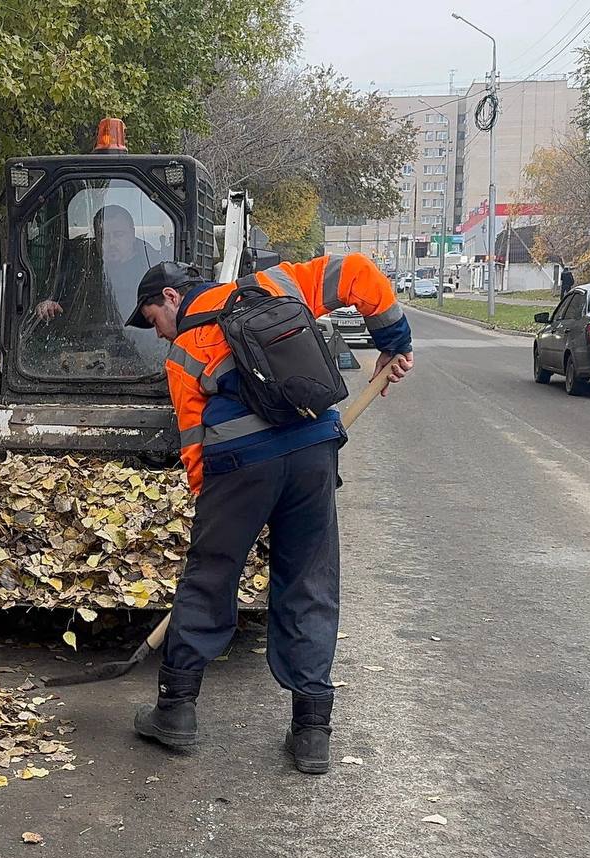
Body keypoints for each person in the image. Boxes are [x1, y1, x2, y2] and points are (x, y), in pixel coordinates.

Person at [125, 255, 414, 775]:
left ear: (171, 297)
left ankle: (175, 711)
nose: (158, 334)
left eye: (152, 321)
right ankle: (311, 733)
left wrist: (217, 514)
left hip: (238, 468)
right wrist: (393, 342)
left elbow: (194, 443)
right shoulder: (274, 284)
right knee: (309, 579)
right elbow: (359, 273)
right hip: (313, 451)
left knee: (210, 577)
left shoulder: (185, 349)